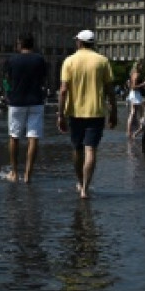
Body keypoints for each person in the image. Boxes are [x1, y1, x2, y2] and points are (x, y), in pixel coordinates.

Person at [56, 30, 117, 200]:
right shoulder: (102, 61)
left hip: (75, 112)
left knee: (77, 149)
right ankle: (85, 188)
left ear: (79, 43)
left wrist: (60, 115)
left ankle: (80, 181)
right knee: (91, 149)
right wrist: (114, 112)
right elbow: (110, 91)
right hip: (96, 111)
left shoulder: (69, 61)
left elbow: (63, 90)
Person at [4, 34, 49, 183]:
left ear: (20, 44)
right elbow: (44, 79)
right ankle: (28, 175)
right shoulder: (40, 59)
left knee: (14, 136)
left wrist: (7, 94)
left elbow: (6, 80)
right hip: (36, 101)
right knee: (33, 137)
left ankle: (14, 172)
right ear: (33, 45)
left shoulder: (12, 59)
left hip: (16, 101)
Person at [125, 62, 145, 138]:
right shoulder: (136, 74)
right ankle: (136, 130)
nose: (142, 67)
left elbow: (130, 85)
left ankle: (132, 131)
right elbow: (133, 87)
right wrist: (143, 84)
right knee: (137, 112)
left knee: (134, 112)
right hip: (135, 94)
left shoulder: (133, 74)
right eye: (141, 65)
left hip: (134, 94)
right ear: (138, 66)